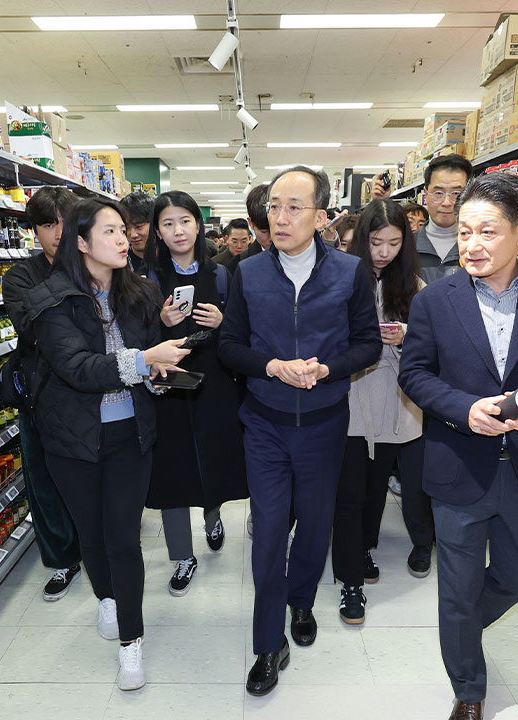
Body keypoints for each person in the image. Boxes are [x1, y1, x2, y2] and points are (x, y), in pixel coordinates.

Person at [397, 173, 518, 720]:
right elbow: (414, 374)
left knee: (516, 578)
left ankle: (457, 630)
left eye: (488, 231)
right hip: (459, 464)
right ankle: (468, 689)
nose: (473, 245)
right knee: (458, 586)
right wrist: (465, 409)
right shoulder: (436, 299)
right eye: (464, 233)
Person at [219, 166, 381, 697]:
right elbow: (231, 347)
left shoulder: (352, 272)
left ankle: (303, 600)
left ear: (321, 216)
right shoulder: (249, 273)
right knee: (268, 532)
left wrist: (326, 369)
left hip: (323, 421)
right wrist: (270, 366)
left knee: (314, 524)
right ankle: (268, 642)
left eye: (294, 207)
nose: (281, 217)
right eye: (273, 206)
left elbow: (367, 345)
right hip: (264, 423)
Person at [22, 198, 191, 692]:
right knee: (91, 535)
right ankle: (107, 599)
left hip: (129, 435)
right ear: (80, 242)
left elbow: (149, 358)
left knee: (122, 538)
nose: (124, 240)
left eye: (124, 230)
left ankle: (131, 644)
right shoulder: (51, 300)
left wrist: (160, 372)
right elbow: (75, 368)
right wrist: (143, 360)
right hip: (72, 439)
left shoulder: (139, 292)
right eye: (111, 231)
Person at [146, 191, 248, 596]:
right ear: (157, 231)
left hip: (214, 381)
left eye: (185, 221)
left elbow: (241, 333)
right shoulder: (146, 278)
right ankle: (181, 556)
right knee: (173, 467)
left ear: (198, 224)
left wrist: (224, 320)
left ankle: (212, 513)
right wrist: (160, 320)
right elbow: (136, 339)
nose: (178, 230)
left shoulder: (222, 273)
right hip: (168, 383)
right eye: (168, 223)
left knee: (212, 456)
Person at [333, 200, 426, 625]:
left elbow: (431, 353)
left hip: (393, 400)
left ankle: (364, 547)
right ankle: (350, 579)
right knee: (350, 491)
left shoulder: (414, 286)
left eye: (393, 243)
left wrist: (407, 337)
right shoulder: (339, 279)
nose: (384, 252)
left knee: (374, 487)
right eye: (375, 243)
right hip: (350, 397)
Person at [0, 186, 83, 601]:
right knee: (43, 479)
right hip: (39, 393)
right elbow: (31, 329)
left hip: (90, 392)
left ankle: (97, 545)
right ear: (35, 229)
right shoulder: (19, 277)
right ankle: (63, 558)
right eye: (48, 224)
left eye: (65, 222)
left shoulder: (98, 266)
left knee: (92, 476)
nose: (57, 232)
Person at [414, 155, 473, 283]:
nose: (447, 202)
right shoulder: (406, 245)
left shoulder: (478, 247)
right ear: (425, 194)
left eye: (456, 194)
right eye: (438, 193)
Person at [236, 183, 273, 265]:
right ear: (251, 223)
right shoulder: (239, 264)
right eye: (264, 231)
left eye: (275, 229)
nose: (271, 237)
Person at [120, 191, 153, 274]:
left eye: (139, 226)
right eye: (126, 228)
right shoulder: (120, 263)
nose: (133, 234)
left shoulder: (172, 259)